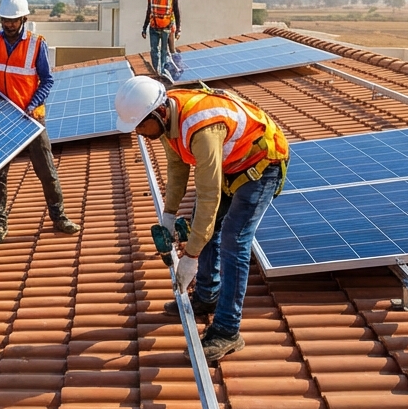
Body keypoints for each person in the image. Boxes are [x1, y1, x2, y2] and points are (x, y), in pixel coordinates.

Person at [113, 75, 289, 363]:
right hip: (231, 165)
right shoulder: (169, 118)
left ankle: (227, 331)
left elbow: (208, 196)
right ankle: (207, 295)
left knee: (234, 240)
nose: (140, 134)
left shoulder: (202, 128)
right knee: (202, 227)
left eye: (141, 126)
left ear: (157, 112)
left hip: (261, 164)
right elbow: (177, 168)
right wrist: (168, 216)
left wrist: (190, 256)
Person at [0, 0, 81, 245]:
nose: (9, 24)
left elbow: (47, 80)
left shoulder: (37, 44)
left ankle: (59, 217)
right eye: (5, 19)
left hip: (30, 119)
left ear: (24, 18)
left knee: (46, 169)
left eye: (14, 20)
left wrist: (32, 103)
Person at [141, 0, 181, 77]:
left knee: (164, 51)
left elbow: (177, 13)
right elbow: (148, 11)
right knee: (154, 50)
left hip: (166, 29)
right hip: (154, 28)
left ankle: (164, 72)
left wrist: (178, 29)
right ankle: (157, 71)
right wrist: (144, 28)